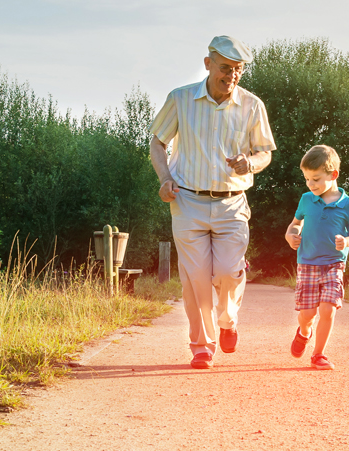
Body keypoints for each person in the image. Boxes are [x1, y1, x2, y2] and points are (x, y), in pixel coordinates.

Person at [148, 35, 277, 369]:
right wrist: (164, 179)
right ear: (208, 64)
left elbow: (264, 152)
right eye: (225, 68)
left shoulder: (252, 106)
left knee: (229, 272)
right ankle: (202, 346)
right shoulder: (181, 99)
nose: (231, 76)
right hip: (187, 201)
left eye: (237, 70)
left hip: (232, 204)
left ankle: (228, 321)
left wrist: (252, 163)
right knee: (196, 277)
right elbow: (158, 143)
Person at [284, 145, 349, 370]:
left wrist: (348, 241)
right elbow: (295, 224)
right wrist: (291, 236)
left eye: (316, 179)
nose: (311, 184)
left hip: (334, 264)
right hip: (307, 263)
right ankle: (304, 332)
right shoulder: (306, 200)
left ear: (333, 175)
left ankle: (318, 354)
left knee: (328, 309)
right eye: (308, 179)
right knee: (307, 314)